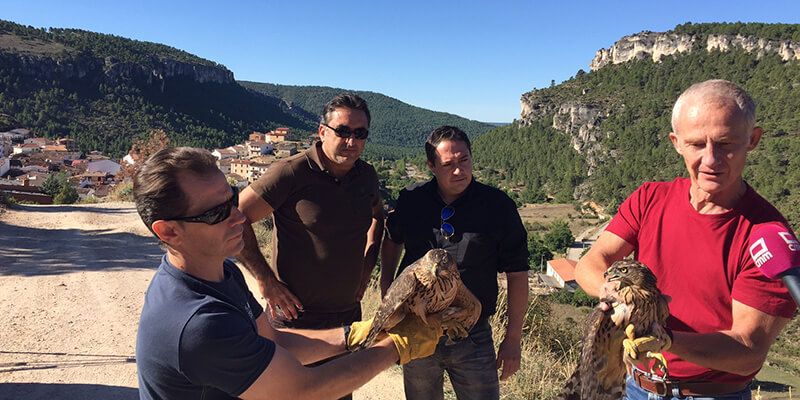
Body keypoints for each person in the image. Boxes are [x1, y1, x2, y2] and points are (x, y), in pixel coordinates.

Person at [133, 147, 442, 400]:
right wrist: (398, 345)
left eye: (232, 199)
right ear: (170, 231)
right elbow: (303, 390)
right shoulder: (198, 324)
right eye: (217, 212)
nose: (238, 216)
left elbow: (274, 340)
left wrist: (358, 334)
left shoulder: (222, 273)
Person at [575, 79, 796, 399]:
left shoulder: (767, 237)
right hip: (635, 385)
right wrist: (611, 293)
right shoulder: (649, 199)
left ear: (753, 140)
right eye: (696, 144)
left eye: (725, 144)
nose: (710, 160)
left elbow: (748, 349)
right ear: (676, 142)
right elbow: (592, 262)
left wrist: (665, 340)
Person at [380, 125, 530, 400]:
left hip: (473, 333)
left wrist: (512, 340)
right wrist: (387, 289)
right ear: (431, 165)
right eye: (448, 164)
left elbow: (517, 273)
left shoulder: (498, 206)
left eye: (464, 160)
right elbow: (392, 240)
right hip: (417, 327)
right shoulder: (412, 200)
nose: (459, 171)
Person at [237, 93, 383, 334]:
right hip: (294, 317)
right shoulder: (291, 173)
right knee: (289, 374)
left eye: (360, 133)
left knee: (347, 374)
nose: (351, 141)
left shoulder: (366, 176)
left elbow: (378, 216)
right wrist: (265, 280)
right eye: (343, 131)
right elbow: (237, 216)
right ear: (322, 131)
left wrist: (367, 269)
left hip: (349, 316)